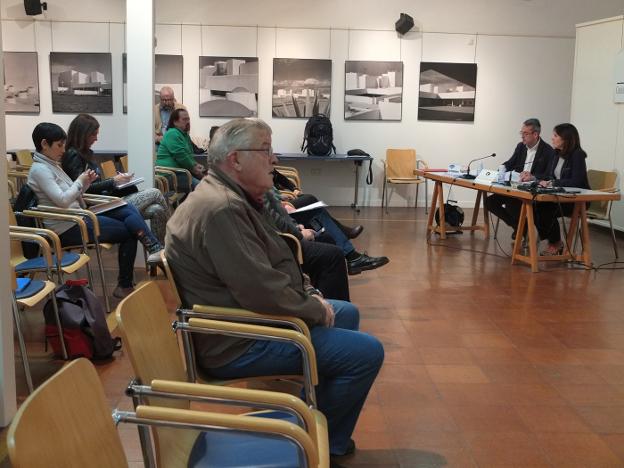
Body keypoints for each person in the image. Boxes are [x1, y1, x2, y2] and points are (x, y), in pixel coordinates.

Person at [165, 118, 384, 458]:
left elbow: (277, 260)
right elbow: (261, 289)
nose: (275, 158)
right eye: (265, 150)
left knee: (346, 313)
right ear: (235, 160)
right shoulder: (222, 209)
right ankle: (327, 445)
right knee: (366, 353)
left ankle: (320, 422)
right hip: (237, 340)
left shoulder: (233, 198)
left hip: (247, 320)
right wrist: (313, 307)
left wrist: (310, 294)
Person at [27, 122, 163, 299]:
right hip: (69, 226)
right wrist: (79, 182)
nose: (63, 150)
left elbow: (71, 196)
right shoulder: (40, 170)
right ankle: (134, 275)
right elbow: (62, 200)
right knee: (130, 231)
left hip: (79, 216)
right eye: (59, 145)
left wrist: (85, 183)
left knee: (126, 207)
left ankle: (153, 249)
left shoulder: (51, 164)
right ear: (44, 144)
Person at [62, 113, 171, 244]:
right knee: (155, 192)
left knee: (157, 210)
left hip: (105, 201)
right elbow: (82, 189)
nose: (96, 138)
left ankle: (161, 255)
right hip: (99, 207)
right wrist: (113, 182)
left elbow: (93, 184)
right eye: (93, 134)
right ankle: (173, 242)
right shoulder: (73, 155)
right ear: (82, 134)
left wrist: (116, 181)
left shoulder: (83, 154)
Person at [485, 118, 555, 239]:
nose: (522, 136)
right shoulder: (521, 147)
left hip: (531, 192)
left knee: (512, 203)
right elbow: (511, 163)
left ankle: (520, 227)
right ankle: (519, 226)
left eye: (525, 133)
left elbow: (549, 175)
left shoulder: (548, 151)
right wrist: (502, 168)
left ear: (535, 134)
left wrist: (533, 177)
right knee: (489, 202)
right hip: (515, 187)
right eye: (521, 133)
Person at [534, 123, 590, 255]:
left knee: (545, 209)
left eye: (555, 135)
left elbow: (576, 181)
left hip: (576, 200)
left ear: (566, 138)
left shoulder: (578, 155)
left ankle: (555, 243)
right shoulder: (556, 154)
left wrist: (553, 183)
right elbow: (549, 175)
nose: (552, 138)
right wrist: (535, 178)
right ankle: (555, 242)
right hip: (559, 197)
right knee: (535, 205)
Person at [155, 108, 205, 190]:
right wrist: (194, 168)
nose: (188, 122)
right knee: (202, 188)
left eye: (188, 119)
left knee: (206, 183)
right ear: (175, 122)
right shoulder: (172, 133)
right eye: (184, 119)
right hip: (168, 176)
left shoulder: (184, 135)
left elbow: (188, 155)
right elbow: (181, 156)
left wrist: (195, 165)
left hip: (179, 173)